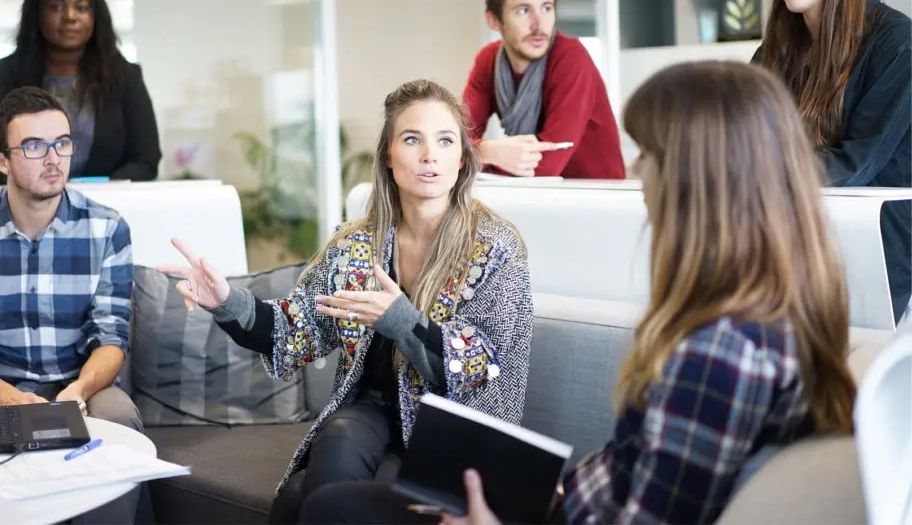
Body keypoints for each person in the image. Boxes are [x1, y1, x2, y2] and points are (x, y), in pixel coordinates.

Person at [296, 61, 857, 524]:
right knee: (322, 500)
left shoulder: (721, 354)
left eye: (650, 154)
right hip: (561, 504)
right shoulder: (759, 320)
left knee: (331, 511)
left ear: (700, 179)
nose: (636, 172)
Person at [160, 79, 534, 523]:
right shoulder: (356, 244)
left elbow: (479, 365)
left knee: (303, 496)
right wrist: (224, 300)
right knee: (338, 437)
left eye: (445, 140)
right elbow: (292, 330)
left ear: (461, 159)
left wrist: (399, 319)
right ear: (389, 159)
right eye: (412, 139)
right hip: (372, 413)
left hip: (452, 432)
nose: (429, 154)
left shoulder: (495, 247)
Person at [0, 86, 141, 433]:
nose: (53, 158)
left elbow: (111, 336)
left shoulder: (107, 229)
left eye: (62, 143)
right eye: (33, 146)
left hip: (80, 386)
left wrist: (79, 391)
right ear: (2, 161)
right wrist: (4, 395)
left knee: (119, 416)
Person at [752, 0, 911, 324]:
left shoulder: (898, 42)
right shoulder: (774, 52)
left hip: (876, 268)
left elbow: (855, 165)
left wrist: (750, 170)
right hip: (793, 258)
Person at [0, 0, 161, 185]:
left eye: (81, 8)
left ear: (96, 16)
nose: (70, 17)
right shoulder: (7, 75)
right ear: (37, 14)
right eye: (56, 7)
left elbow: (145, 160)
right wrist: (38, 192)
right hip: (25, 212)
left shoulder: (125, 77)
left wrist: (97, 195)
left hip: (105, 210)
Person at [462, 0, 624, 180]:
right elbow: (454, 142)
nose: (539, 25)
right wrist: (488, 151)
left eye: (546, 8)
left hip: (595, 199)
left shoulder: (570, 57)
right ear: (494, 21)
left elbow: (546, 165)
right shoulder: (488, 61)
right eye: (523, 10)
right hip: (535, 197)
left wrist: (475, 158)